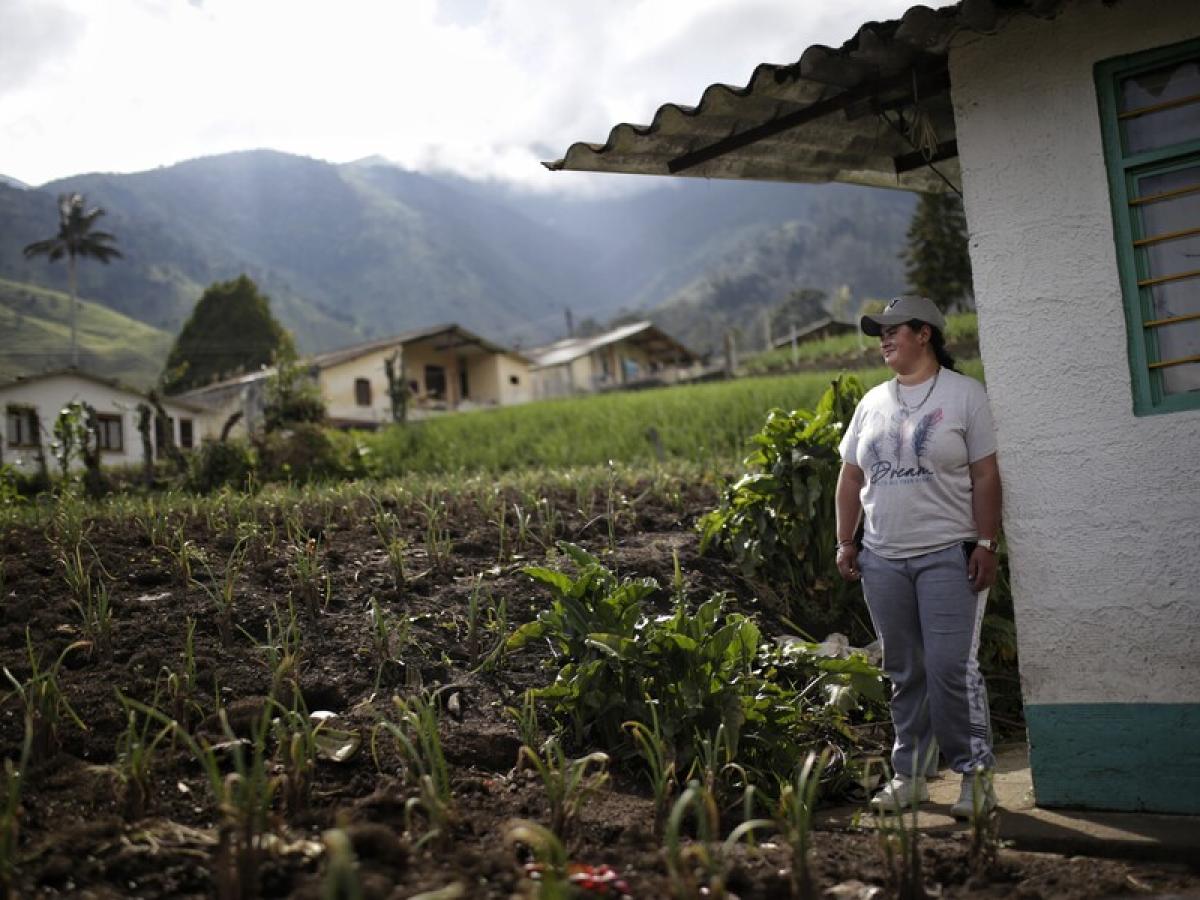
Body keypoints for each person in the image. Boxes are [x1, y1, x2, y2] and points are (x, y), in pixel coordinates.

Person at [834, 295, 1002, 819]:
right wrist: (846, 540)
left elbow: (985, 475)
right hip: (882, 559)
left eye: (893, 330)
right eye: (878, 333)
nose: (883, 339)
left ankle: (976, 779)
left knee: (952, 668)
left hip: (948, 555)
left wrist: (987, 543)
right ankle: (910, 777)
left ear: (924, 333)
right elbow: (850, 477)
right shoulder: (872, 402)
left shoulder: (964, 395)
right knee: (905, 671)